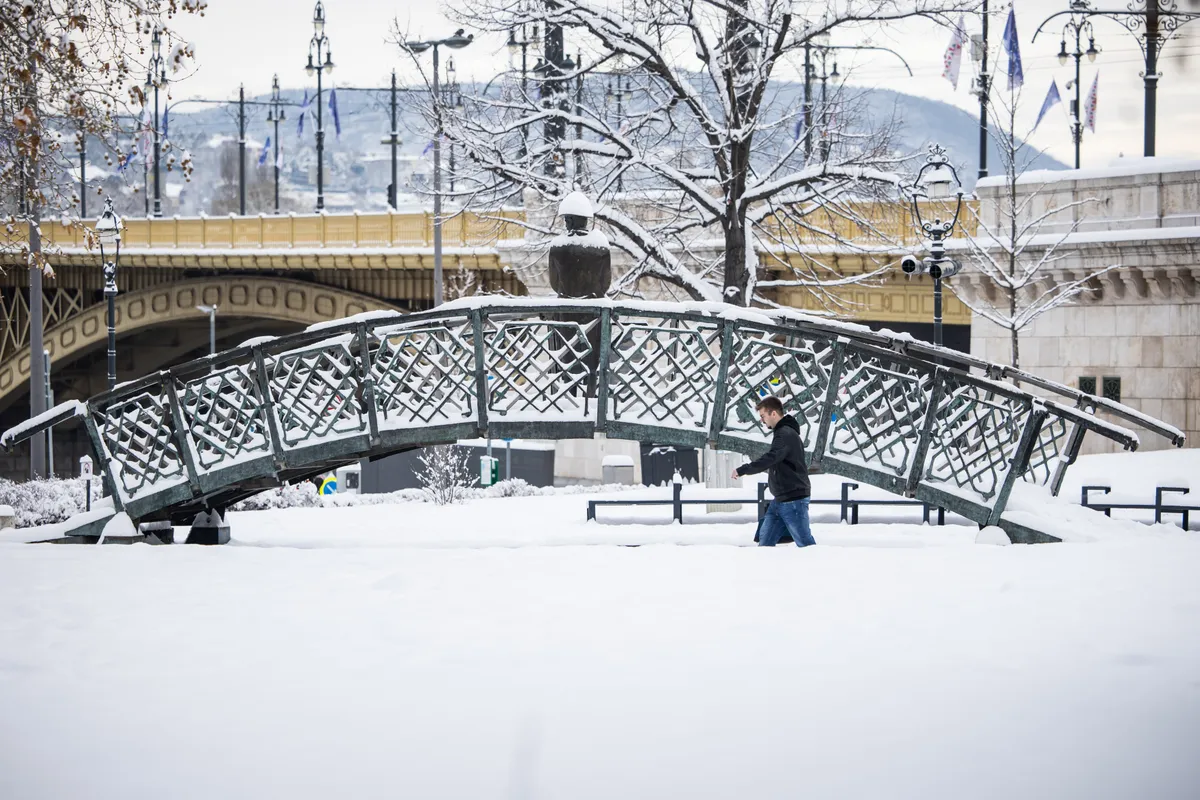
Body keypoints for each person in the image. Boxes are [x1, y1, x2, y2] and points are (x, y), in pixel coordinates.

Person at [732, 396, 815, 547]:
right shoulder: (785, 432)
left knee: (806, 545)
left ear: (774, 414)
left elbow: (770, 458)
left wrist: (744, 469)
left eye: (763, 416)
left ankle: (824, 568)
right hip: (781, 499)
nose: (762, 420)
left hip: (793, 500)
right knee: (765, 544)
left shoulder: (784, 434)